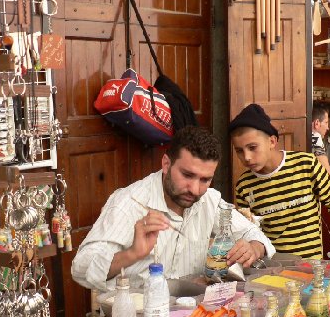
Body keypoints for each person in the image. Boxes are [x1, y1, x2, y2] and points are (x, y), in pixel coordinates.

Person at [72, 125, 275, 292]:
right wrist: (133, 253)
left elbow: (253, 233)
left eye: (205, 179)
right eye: (187, 175)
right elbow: (80, 269)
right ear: (166, 164)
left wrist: (254, 247)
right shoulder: (129, 203)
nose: (195, 189)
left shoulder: (209, 200)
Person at [230, 103, 330, 265]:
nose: (247, 157)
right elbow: (249, 232)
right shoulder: (244, 186)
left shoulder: (306, 165)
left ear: (272, 141)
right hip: (272, 272)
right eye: (239, 151)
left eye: (252, 147)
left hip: (311, 270)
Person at [311, 102, 330, 176]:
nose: (328, 128)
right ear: (317, 123)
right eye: (326, 122)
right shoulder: (315, 137)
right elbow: (327, 174)